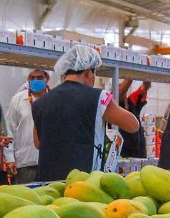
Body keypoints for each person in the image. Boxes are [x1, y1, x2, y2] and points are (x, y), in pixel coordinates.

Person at [31, 45, 140, 181]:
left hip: (48, 181)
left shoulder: (40, 103)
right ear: (88, 72)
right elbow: (133, 125)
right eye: (94, 74)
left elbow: (38, 143)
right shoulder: (98, 98)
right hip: (82, 181)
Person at [5, 69, 50, 183]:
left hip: (50, 161)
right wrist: (10, 158)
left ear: (47, 79)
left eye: (39, 77)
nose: (35, 81)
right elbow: (9, 129)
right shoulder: (18, 99)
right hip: (25, 162)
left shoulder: (55, 99)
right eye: (32, 78)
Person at [118, 77, 151, 158]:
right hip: (123, 152)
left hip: (139, 149)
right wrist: (130, 77)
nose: (122, 90)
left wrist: (147, 74)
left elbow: (145, 87)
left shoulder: (132, 100)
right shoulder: (114, 104)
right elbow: (121, 92)